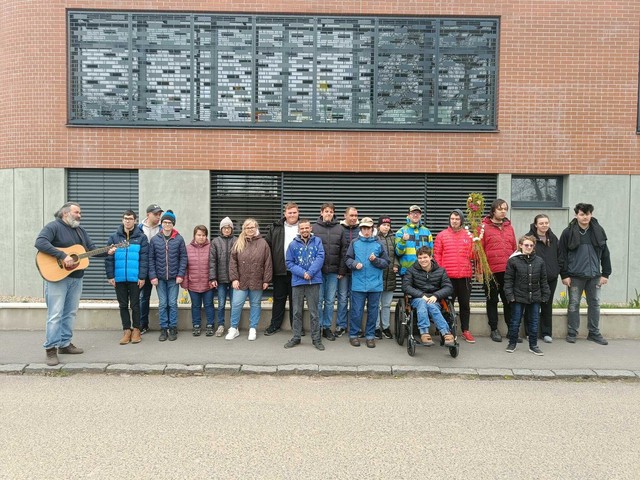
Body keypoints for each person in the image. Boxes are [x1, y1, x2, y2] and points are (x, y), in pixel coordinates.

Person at [35, 202, 115, 366]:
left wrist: (108, 251)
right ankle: (50, 349)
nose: (80, 215)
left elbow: (91, 250)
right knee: (55, 314)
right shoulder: (53, 227)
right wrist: (63, 256)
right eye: (77, 212)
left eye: (80, 213)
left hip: (76, 277)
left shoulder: (80, 231)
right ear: (65, 213)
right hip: (57, 278)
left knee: (70, 313)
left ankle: (64, 344)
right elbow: (40, 242)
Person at [559, 203, 611, 345]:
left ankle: (593, 333)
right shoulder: (568, 232)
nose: (585, 217)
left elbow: (605, 253)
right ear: (576, 215)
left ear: (591, 215)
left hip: (594, 276)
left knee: (595, 304)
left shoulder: (598, 231)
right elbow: (561, 254)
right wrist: (564, 275)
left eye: (587, 214)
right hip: (575, 276)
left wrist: (605, 274)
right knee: (574, 304)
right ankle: (572, 332)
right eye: (582, 214)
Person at [105, 209, 148, 345]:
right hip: (119, 278)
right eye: (125, 218)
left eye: (130, 219)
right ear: (122, 220)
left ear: (135, 221)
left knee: (135, 305)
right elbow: (108, 258)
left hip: (135, 278)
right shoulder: (114, 238)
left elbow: (144, 259)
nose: (127, 221)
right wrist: (110, 275)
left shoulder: (141, 238)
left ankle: (136, 329)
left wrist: (142, 277)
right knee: (123, 305)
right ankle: (126, 330)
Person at [345, 217, 390, 348]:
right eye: (364, 228)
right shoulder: (354, 242)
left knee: (373, 312)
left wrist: (375, 260)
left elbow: (386, 262)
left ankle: (370, 336)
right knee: (356, 311)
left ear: (372, 229)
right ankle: (353, 335)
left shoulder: (379, 243)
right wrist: (354, 264)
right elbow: (347, 259)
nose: (366, 231)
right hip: (358, 284)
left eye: (368, 228)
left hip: (375, 285)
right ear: (361, 229)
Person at [226, 219, 272, 341]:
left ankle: (253, 328)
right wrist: (234, 278)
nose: (250, 229)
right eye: (248, 227)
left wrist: (266, 280)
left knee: (255, 304)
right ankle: (233, 328)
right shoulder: (238, 242)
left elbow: (268, 262)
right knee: (236, 304)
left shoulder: (263, 243)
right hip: (241, 280)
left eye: (252, 227)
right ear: (244, 229)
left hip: (257, 279)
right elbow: (233, 262)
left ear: (256, 228)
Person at [504, 235, 550, 355]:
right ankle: (512, 343)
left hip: (535, 296)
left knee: (534, 322)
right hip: (518, 296)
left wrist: (545, 295)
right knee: (515, 321)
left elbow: (543, 280)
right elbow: (508, 280)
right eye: (526, 245)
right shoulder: (513, 261)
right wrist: (510, 296)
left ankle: (533, 345)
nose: (529, 247)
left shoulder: (539, 261)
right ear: (520, 245)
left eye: (531, 245)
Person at [434, 209, 475, 343]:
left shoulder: (469, 236)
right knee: (447, 304)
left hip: (464, 276)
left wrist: (477, 246)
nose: (454, 221)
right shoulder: (442, 235)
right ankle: (446, 330)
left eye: (457, 219)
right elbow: (437, 255)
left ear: (461, 220)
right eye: (452, 219)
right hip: (448, 277)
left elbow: (473, 256)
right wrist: (441, 273)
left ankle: (465, 330)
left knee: (465, 304)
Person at [284, 219, 326, 350]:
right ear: (299, 230)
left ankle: (316, 339)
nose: (304, 230)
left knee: (314, 312)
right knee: (296, 311)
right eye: (302, 228)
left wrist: (310, 272)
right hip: (298, 282)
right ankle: (296, 337)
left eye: (306, 228)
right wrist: (303, 273)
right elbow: (289, 262)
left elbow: (320, 257)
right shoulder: (292, 245)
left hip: (314, 281)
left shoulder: (317, 241)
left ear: (310, 228)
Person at [402, 246, 455, 347]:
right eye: (420, 258)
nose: (423, 260)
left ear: (431, 257)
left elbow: (448, 287)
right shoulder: (411, 270)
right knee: (422, 303)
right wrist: (421, 295)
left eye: (425, 257)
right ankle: (424, 333)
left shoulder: (441, 271)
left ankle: (445, 333)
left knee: (431, 306)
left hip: (434, 300)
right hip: (418, 299)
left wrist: (436, 295)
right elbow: (406, 286)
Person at [480, 198, 517, 342]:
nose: (503, 211)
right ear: (493, 210)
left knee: (509, 300)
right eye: (500, 209)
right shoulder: (483, 227)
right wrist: (481, 270)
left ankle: (511, 329)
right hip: (491, 271)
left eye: (505, 209)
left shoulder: (509, 227)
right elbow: (479, 250)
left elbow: (514, 248)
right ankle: (494, 329)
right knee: (492, 300)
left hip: (508, 270)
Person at [148, 210, 187, 342]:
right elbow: (151, 259)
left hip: (174, 278)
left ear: (173, 224)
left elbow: (183, 258)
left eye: (169, 222)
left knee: (172, 303)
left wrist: (180, 274)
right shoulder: (155, 240)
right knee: (163, 303)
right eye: (164, 222)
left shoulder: (179, 239)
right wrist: (152, 276)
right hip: (159, 279)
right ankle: (164, 328)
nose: (167, 225)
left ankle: (173, 327)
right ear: (162, 223)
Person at [264, 202, 299, 336]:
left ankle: (297, 327)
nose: (292, 215)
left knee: (296, 301)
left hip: (297, 271)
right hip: (280, 269)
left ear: (298, 213)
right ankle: (275, 325)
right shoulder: (276, 227)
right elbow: (267, 247)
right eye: (289, 213)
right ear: (285, 214)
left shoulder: (303, 227)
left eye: (294, 212)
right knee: (278, 299)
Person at [312, 202, 345, 342]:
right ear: (321, 212)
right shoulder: (314, 228)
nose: (328, 214)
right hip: (318, 272)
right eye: (326, 211)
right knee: (318, 300)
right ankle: (318, 327)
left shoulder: (339, 229)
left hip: (333, 271)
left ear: (333, 214)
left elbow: (343, 251)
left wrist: (341, 269)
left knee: (330, 301)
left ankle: (326, 327)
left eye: (331, 212)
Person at [525, 214, 560, 343]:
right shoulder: (529, 238)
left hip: (550, 278)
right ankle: (530, 333)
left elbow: (559, 256)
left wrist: (557, 270)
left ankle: (546, 333)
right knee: (531, 305)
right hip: (534, 278)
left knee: (547, 304)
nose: (544, 225)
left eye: (546, 223)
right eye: (541, 223)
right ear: (536, 225)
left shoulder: (553, 238)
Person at [183, 225, 215, 337]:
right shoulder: (187, 248)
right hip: (193, 283)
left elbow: (214, 265)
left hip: (208, 283)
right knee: (195, 305)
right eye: (199, 235)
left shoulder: (211, 247)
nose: (201, 237)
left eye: (203, 235)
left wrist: (213, 279)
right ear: (194, 235)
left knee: (209, 305)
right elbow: (185, 267)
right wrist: (185, 282)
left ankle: (210, 325)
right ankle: (196, 325)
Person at [209, 217, 237, 337]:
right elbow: (212, 261)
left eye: (228, 228)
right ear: (221, 229)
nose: (226, 230)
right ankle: (221, 325)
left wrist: (238, 277)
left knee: (234, 304)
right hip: (220, 279)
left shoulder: (237, 240)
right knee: (221, 304)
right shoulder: (215, 242)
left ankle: (233, 326)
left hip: (233, 279)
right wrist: (213, 278)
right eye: (224, 228)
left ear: (231, 229)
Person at [138, 203, 163, 334]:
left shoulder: (162, 229)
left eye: (159, 214)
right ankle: (143, 324)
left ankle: (166, 325)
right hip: (143, 269)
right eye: (156, 214)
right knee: (143, 297)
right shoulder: (139, 229)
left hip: (159, 268)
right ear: (148, 214)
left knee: (165, 299)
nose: (158, 217)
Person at [335, 206, 359, 337]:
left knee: (356, 299)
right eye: (351, 215)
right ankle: (341, 325)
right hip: (343, 271)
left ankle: (355, 327)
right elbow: (338, 251)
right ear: (345, 216)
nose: (354, 218)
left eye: (356, 215)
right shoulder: (339, 229)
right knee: (343, 298)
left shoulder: (361, 229)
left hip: (357, 270)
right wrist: (340, 269)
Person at [375, 215, 398, 339]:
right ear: (379, 226)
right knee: (376, 304)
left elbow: (397, 255)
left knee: (387, 304)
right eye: (384, 225)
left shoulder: (393, 238)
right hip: (378, 275)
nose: (386, 227)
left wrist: (396, 265)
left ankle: (386, 327)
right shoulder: (374, 237)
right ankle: (376, 327)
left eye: (388, 225)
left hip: (390, 276)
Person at [395, 204, 433, 275]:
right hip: (407, 272)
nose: (415, 215)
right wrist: (403, 241)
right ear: (408, 215)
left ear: (421, 215)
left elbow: (431, 252)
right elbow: (398, 253)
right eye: (413, 213)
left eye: (417, 213)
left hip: (424, 271)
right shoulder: (401, 232)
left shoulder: (427, 232)